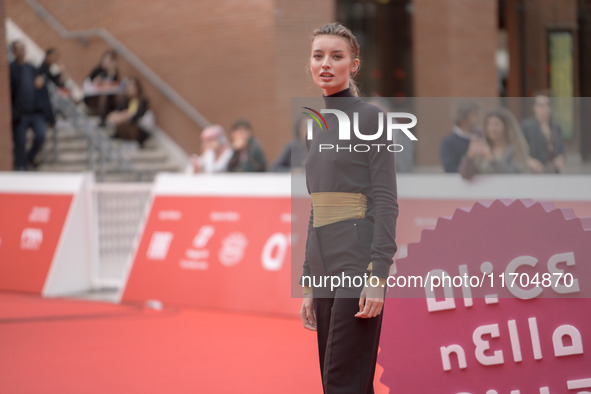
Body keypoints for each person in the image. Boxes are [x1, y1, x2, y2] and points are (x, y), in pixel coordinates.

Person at [299, 22, 398, 393]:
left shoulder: (371, 119)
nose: (325, 63)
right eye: (318, 55)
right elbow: (316, 205)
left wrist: (378, 273)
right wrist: (308, 279)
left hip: (358, 258)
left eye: (336, 56)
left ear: (353, 65)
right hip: (324, 262)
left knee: (345, 379)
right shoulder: (314, 125)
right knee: (333, 379)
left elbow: (387, 200)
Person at [459, 108, 531, 180]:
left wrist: (491, 159)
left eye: (496, 124)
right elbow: (465, 175)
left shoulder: (515, 149)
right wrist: (470, 155)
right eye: (488, 124)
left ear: (506, 126)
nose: (492, 128)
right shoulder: (482, 148)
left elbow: (513, 175)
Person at [9, 40, 46, 171]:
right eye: (18, 49)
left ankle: (29, 158)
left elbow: (40, 85)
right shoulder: (11, 69)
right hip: (20, 113)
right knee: (21, 142)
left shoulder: (31, 68)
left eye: (23, 48)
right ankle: (21, 166)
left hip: (35, 111)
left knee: (41, 135)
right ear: (13, 51)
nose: (21, 51)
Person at [521, 91, 566, 173]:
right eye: (541, 105)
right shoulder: (527, 126)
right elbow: (519, 149)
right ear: (534, 107)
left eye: (547, 104)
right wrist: (529, 161)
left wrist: (561, 158)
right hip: (534, 173)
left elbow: (562, 149)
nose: (545, 108)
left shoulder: (556, 127)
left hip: (553, 172)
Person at [106, 77, 150, 147]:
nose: (129, 89)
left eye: (131, 87)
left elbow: (139, 114)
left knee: (121, 119)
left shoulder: (142, 101)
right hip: (124, 122)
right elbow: (118, 110)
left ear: (137, 88)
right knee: (114, 116)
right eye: (128, 87)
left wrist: (128, 115)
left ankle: (113, 130)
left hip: (136, 125)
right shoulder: (126, 100)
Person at [440, 100, 481, 173]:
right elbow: (450, 168)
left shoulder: (481, 137)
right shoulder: (449, 142)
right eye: (475, 114)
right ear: (464, 118)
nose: (478, 118)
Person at [84, 50, 121, 125]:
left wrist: (111, 75)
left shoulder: (114, 72)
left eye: (109, 61)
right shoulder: (98, 70)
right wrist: (97, 80)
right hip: (94, 96)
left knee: (119, 96)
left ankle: (116, 116)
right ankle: (102, 118)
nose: (107, 63)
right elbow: (91, 83)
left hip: (108, 95)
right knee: (103, 96)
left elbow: (115, 84)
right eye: (105, 60)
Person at [37, 47, 67, 127]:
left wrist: (62, 73)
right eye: (54, 56)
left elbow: (58, 82)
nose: (55, 58)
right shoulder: (41, 70)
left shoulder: (49, 70)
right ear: (48, 56)